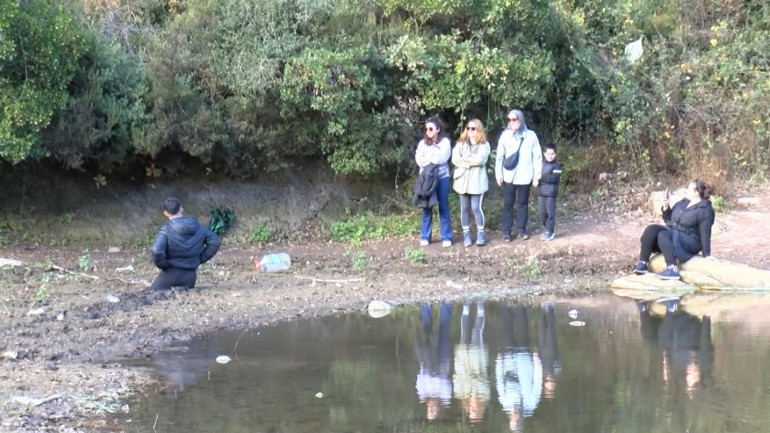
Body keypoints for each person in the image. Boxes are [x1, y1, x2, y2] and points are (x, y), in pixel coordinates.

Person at [633, 179, 716, 280]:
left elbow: (705, 233)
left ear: (696, 193)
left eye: (689, 189)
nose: (687, 191)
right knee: (651, 229)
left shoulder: (705, 209)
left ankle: (672, 269)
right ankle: (642, 263)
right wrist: (666, 206)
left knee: (663, 235)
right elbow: (669, 220)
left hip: (690, 241)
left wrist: (707, 254)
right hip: (674, 234)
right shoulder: (683, 203)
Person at [150, 197, 221, 291]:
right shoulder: (198, 227)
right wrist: (200, 259)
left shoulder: (166, 230)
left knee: (151, 294)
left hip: (170, 274)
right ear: (181, 209)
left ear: (165, 213)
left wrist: (164, 265)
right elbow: (215, 241)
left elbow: (157, 251)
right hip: (190, 277)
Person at [495, 109, 542, 242]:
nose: (511, 122)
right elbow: (499, 156)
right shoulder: (505, 136)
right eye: (509, 119)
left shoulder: (531, 136)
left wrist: (537, 174)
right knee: (508, 203)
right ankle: (506, 232)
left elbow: (537, 156)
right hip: (509, 176)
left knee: (523, 203)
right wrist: (498, 174)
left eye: (514, 119)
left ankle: (521, 230)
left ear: (520, 120)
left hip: (525, 175)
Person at [452, 118, 491, 247]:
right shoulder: (460, 143)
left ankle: (481, 234)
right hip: (462, 182)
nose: (470, 131)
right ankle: (466, 235)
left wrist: (465, 160)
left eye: (473, 128)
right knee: (464, 208)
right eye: (468, 128)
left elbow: (480, 160)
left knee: (476, 207)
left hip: (477, 182)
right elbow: (455, 159)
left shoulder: (484, 145)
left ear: (478, 129)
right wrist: (469, 161)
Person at [415, 118, 453, 247]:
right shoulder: (422, 143)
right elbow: (419, 159)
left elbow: (441, 159)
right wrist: (431, 161)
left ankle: (446, 237)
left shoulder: (445, 142)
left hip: (442, 177)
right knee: (426, 207)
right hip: (426, 180)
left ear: (438, 129)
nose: (428, 131)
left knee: (443, 206)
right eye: (426, 129)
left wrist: (430, 159)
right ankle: (425, 236)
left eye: (431, 128)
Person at [414, 303, 453, 420]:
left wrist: (431, 376)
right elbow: (446, 382)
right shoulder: (445, 397)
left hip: (426, 359)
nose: (431, 408)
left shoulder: (422, 394)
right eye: (433, 411)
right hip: (442, 361)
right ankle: (446, 304)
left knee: (426, 329)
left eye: (429, 411)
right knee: (444, 332)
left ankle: (426, 305)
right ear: (438, 409)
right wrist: (434, 377)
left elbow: (419, 378)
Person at [453, 302, 490, 423]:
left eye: (470, 411)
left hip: (463, 362)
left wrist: (459, 366)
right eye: (474, 411)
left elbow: (456, 378)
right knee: (476, 333)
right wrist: (474, 391)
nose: (471, 409)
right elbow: (480, 379)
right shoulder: (484, 394)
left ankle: (466, 306)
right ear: (479, 410)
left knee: (464, 332)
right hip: (477, 359)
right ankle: (480, 307)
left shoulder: (460, 394)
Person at [535, 143, 563, 241]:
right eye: (548, 153)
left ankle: (550, 231)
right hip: (541, 192)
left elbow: (554, 179)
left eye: (552, 154)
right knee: (543, 212)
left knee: (550, 212)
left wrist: (541, 177)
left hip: (551, 193)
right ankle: (546, 229)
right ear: (544, 154)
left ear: (555, 155)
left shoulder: (557, 166)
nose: (550, 156)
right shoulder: (541, 164)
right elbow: (537, 176)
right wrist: (536, 181)